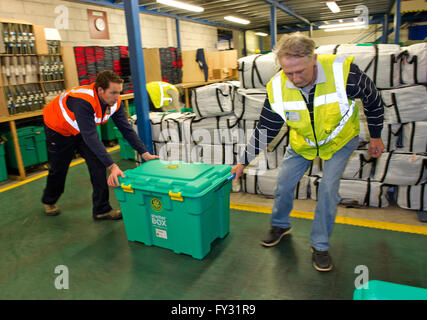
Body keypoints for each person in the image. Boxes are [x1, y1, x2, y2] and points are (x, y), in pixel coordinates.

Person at [231, 33, 385, 272]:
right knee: (283, 183)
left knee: (327, 189)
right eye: (288, 72)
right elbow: (266, 128)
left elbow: (373, 100)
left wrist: (375, 135)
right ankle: (280, 225)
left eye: (300, 71)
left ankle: (320, 245)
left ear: (313, 59)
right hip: (303, 141)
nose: (294, 78)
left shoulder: (345, 74)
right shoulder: (278, 87)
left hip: (338, 141)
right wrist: (243, 162)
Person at [42, 70, 159, 220]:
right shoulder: (83, 100)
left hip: (80, 129)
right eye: (113, 93)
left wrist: (144, 153)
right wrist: (112, 165)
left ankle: (101, 209)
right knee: (59, 168)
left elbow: (126, 129)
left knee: (98, 165)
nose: (117, 97)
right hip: (58, 130)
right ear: (100, 90)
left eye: (119, 92)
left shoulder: (115, 103)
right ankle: (49, 200)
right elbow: (91, 136)